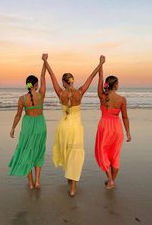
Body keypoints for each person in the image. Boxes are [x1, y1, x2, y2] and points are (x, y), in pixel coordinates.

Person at [42, 53, 105, 196]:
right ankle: (73, 188)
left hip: (63, 127)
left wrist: (45, 61)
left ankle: (69, 180)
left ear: (64, 82)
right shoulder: (80, 92)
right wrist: (100, 64)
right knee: (75, 154)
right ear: (72, 81)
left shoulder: (60, 93)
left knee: (67, 152)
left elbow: (51, 76)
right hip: (76, 128)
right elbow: (91, 77)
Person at [9, 60, 47, 189]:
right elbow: (43, 76)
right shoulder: (41, 95)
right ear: (36, 85)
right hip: (40, 126)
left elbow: (18, 115)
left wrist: (13, 128)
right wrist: (45, 61)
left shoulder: (22, 99)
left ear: (27, 85)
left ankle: (30, 184)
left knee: (26, 152)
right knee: (38, 152)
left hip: (28, 126)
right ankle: (37, 182)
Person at [95, 58, 131, 189]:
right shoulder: (122, 99)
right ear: (115, 85)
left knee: (103, 152)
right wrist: (128, 132)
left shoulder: (101, 96)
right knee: (115, 155)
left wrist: (101, 64)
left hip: (104, 127)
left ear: (106, 85)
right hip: (117, 129)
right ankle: (111, 181)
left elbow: (100, 77)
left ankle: (110, 179)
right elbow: (125, 117)